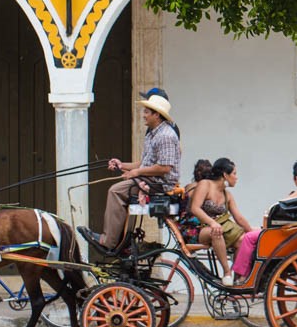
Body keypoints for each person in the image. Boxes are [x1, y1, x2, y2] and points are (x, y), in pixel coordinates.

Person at [97, 91, 181, 251]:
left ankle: (110, 242)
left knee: (115, 191)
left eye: (147, 112)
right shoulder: (152, 134)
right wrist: (122, 165)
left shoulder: (165, 136)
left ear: (157, 115)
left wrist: (136, 173)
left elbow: (165, 168)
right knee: (121, 189)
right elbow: (143, 163)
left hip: (160, 184)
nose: (143, 115)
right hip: (152, 180)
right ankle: (122, 240)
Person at [188, 157, 256, 287]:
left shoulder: (227, 195)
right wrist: (212, 222)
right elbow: (195, 208)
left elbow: (239, 218)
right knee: (216, 231)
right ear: (225, 175)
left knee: (242, 239)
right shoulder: (205, 185)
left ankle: (237, 279)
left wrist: (252, 232)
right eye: (234, 173)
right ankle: (227, 272)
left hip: (220, 228)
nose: (236, 177)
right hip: (199, 229)